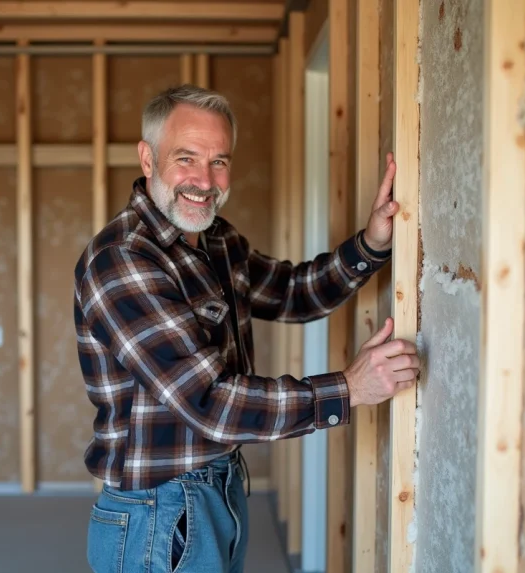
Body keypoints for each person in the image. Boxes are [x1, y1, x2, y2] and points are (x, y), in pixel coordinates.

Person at [73, 84, 419, 573]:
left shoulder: (218, 240)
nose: (204, 180)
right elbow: (208, 402)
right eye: (186, 158)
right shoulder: (123, 259)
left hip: (219, 486)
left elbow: (293, 292)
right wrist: (348, 389)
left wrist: (371, 244)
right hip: (159, 511)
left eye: (219, 161)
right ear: (148, 159)